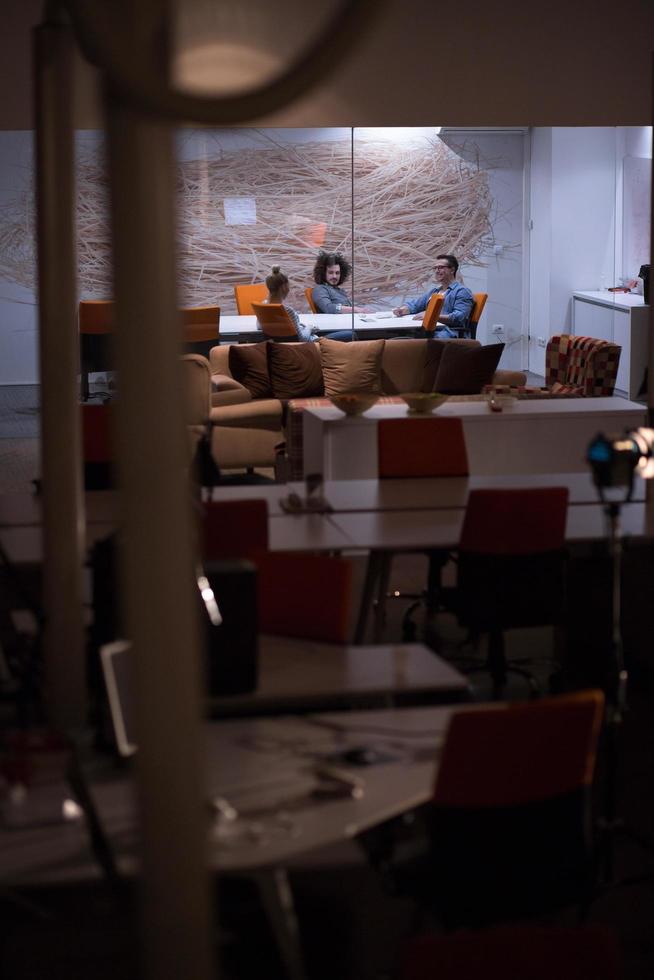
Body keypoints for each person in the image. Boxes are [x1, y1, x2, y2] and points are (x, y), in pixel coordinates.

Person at [393, 254, 474, 338]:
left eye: (441, 267)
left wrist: (431, 316)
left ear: (452, 270)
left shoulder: (462, 291)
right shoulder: (435, 291)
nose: (437, 271)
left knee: (405, 339)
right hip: (431, 330)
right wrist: (403, 310)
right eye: (435, 268)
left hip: (448, 332)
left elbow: (459, 317)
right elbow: (416, 305)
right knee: (399, 336)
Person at [263, 266, 352, 342]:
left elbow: (260, 326)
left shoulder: (263, 306)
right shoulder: (288, 311)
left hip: (287, 346)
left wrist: (298, 327)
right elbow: (303, 338)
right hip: (311, 344)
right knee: (352, 334)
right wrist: (309, 328)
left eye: (337, 273)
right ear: (284, 288)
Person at [311, 250, 374, 315]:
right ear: (323, 273)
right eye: (330, 272)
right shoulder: (320, 289)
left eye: (337, 273)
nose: (334, 276)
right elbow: (328, 308)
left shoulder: (339, 290)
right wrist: (355, 309)